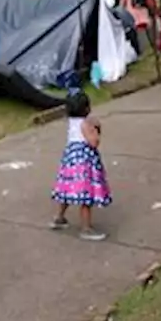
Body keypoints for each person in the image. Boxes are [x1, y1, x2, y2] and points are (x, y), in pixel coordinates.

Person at [49, 91, 112, 241]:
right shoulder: (86, 124)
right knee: (85, 196)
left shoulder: (71, 122)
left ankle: (59, 217)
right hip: (84, 165)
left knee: (67, 190)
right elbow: (93, 142)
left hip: (70, 162)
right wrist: (96, 130)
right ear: (87, 108)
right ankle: (86, 228)